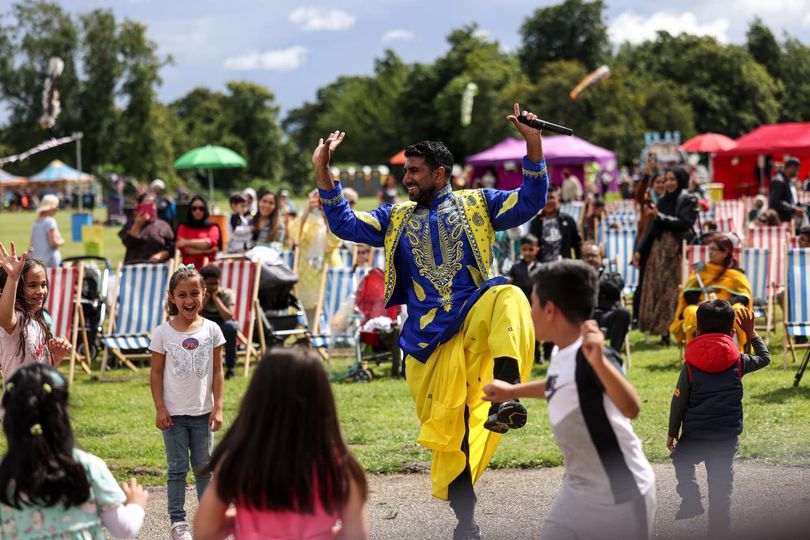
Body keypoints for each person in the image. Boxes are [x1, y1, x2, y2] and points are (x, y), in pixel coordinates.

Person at [312, 102, 548, 539]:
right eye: (406, 172)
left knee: (508, 294)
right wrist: (323, 170)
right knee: (449, 437)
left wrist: (532, 142)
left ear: (440, 174)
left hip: (473, 319)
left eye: (415, 172)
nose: (407, 179)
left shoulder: (479, 204)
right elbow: (343, 222)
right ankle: (466, 523)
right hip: (425, 344)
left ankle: (504, 397)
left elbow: (531, 199)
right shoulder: (394, 217)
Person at [482, 260, 656, 539]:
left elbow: (631, 407)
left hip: (621, 493)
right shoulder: (561, 352)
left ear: (550, 310)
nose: (529, 312)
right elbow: (558, 384)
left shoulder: (593, 355)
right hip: (577, 487)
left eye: (533, 303)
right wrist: (512, 392)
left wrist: (599, 361)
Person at [193, 347, 368, 540]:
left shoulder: (239, 458)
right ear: (322, 400)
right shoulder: (338, 464)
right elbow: (355, 535)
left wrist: (242, 520)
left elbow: (205, 532)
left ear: (257, 399)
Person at [0, 364, 148, 538]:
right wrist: (136, 504)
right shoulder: (87, 467)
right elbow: (125, 528)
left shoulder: (5, 476)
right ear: (62, 415)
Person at [667, 301, 770, 538]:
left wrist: (673, 432)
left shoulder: (690, 363)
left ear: (697, 331)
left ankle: (691, 498)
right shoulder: (738, 361)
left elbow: (678, 400)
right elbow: (764, 358)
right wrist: (752, 332)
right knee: (721, 490)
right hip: (725, 436)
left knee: (681, 459)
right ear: (733, 332)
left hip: (695, 435)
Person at [149, 265, 226, 540]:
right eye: (182, 295)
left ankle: (207, 519)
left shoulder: (213, 330)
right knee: (177, 469)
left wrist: (218, 406)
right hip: (173, 416)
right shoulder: (162, 333)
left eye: (195, 293)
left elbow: (218, 371)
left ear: (204, 294)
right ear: (172, 297)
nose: (189, 300)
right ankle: (178, 522)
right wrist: (160, 407)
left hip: (204, 414)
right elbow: (156, 373)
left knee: (205, 468)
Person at [633, 166, 698, 345]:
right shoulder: (662, 200)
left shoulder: (688, 199)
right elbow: (652, 228)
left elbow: (685, 223)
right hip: (659, 251)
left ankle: (674, 330)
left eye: (673, 179)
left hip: (677, 251)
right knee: (659, 291)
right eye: (667, 179)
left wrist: (660, 216)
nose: (669, 183)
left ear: (681, 180)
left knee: (673, 291)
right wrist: (640, 249)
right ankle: (663, 334)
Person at [0, 245, 72, 384]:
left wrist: (56, 357)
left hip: (39, 402)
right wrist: (13, 278)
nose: (40, 291)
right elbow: (4, 319)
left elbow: (42, 374)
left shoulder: (38, 320)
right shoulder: (17, 320)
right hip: (18, 404)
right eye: (32, 285)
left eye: (43, 284)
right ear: (19, 288)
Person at [669, 234, 753, 350]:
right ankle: (697, 353)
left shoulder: (736, 273)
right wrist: (701, 303)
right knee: (692, 312)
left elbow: (744, 296)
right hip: (703, 305)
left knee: (739, 311)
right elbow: (688, 293)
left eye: (714, 249)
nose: (710, 252)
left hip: (728, 306)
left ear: (725, 252)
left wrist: (724, 304)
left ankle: (734, 352)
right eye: (709, 249)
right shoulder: (701, 272)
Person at [289, 189, 344, 324]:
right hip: (307, 272)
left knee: (331, 306)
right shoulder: (305, 219)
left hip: (329, 269)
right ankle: (311, 335)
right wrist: (308, 209)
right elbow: (296, 237)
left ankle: (328, 337)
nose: (320, 203)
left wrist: (328, 215)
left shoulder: (336, 218)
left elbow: (334, 242)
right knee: (308, 310)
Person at [582, 241, 632, 352]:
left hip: (606, 316)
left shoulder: (611, 275)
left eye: (594, 255)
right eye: (587, 256)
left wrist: (595, 281)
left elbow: (616, 288)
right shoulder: (575, 277)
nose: (590, 259)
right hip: (583, 318)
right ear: (582, 259)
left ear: (601, 258)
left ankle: (613, 355)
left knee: (623, 313)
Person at [200, 265, 240, 380]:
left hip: (223, 324)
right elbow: (195, 313)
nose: (212, 287)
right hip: (205, 323)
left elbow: (228, 316)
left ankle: (230, 367)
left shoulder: (227, 294)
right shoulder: (199, 295)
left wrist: (216, 298)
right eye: (209, 284)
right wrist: (206, 298)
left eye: (215, 284)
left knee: (231, 326)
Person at [528, 185, 582, 262]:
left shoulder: (568, 220)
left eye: (551, 198)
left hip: (564, 268)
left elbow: (577, 245)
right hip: (542, 269)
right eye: (545, 198)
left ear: (558, 200)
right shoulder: (536, 222)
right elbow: (531, 246)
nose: (548, 201)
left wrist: (579, 266)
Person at [119, 193, 175, 264]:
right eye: (147, 204)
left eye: (153, 204)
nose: (151, 207)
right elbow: (128, 243)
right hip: (134, 266)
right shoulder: (131, 223)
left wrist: (162, 255)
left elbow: (172, 247)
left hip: (158, 268)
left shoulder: (163, 225)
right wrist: (137, 225)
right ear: (140, 206)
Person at [176, 195, 221, 268]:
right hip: (189, 270)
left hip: (208, 268)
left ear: (205, 209)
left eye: (201, 208)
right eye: (194, 208)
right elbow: (183, 249)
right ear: (190, 210)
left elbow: (210, 243)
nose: (197, 211)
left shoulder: (213, 227)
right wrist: (206, 250)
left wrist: (186, 242)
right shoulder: (183, 227)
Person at [29, 194, 64, 268]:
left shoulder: (36, 222)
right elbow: (53, 243)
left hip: (38, 261)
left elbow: (31, 244)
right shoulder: (50, 221)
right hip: (51, 260)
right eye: (56, 207)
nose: (57, 209)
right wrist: (61, 242)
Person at [768, 158, 804, 225]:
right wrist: (794, 209)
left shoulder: (785, 180)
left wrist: (799, 206)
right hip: (780, 220)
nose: (798, 173)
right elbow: (775, 202)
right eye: (797, 170)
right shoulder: (779, 181)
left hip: (785, 219)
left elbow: (788, 199)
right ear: (791, 168)